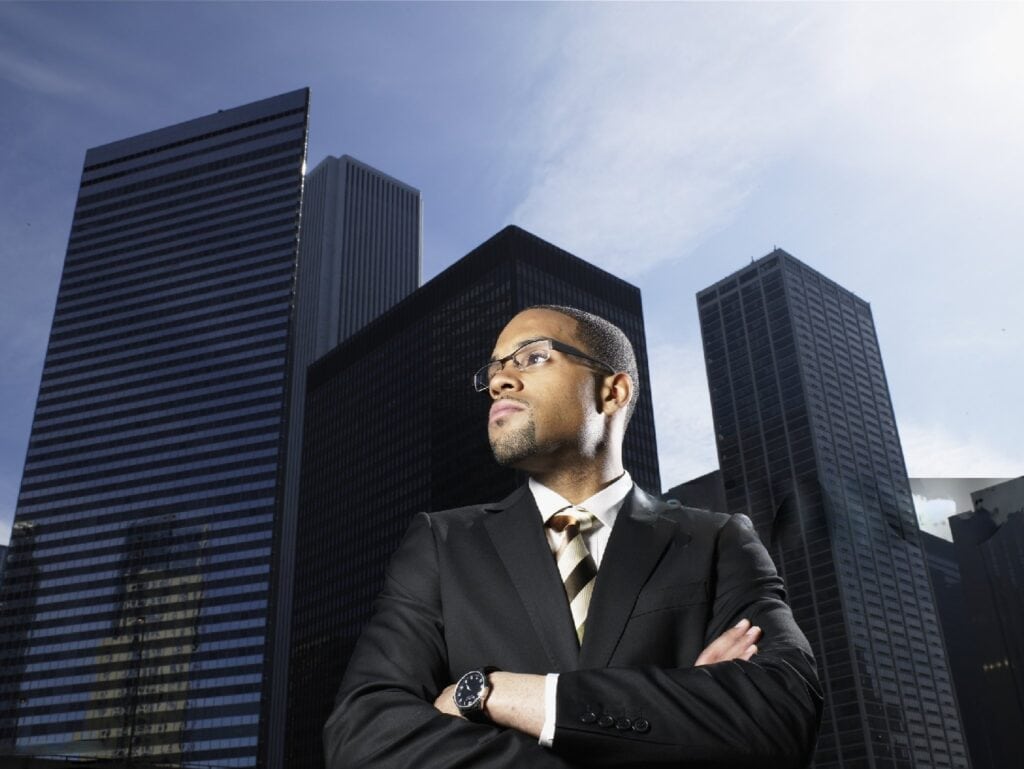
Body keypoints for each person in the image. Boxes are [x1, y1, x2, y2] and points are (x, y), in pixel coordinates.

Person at [325, 305, 822, 768]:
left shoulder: (717, 540)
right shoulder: (443, 542)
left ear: (613, 391)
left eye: (533, 357)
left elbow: (781, 712)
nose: (499, 380)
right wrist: (684, 710)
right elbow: (364, 734)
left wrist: (490, 694)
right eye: (494, 369)